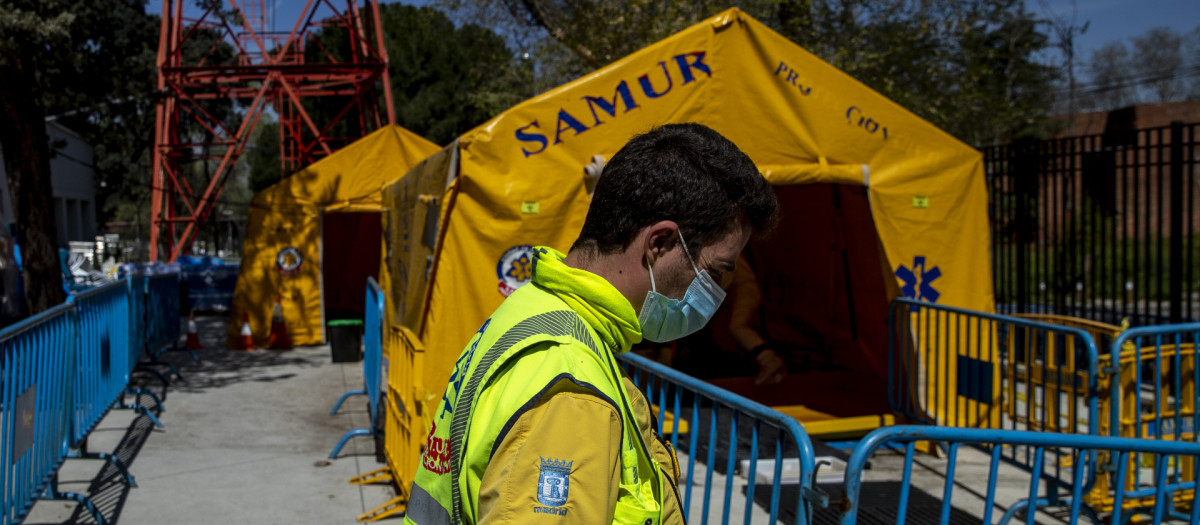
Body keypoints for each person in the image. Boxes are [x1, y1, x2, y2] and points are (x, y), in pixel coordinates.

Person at [404, 123, 778, 525]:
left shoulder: (534, 307)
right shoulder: (571, 390)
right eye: (717, 271)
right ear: (661, 243)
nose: (717, 293)